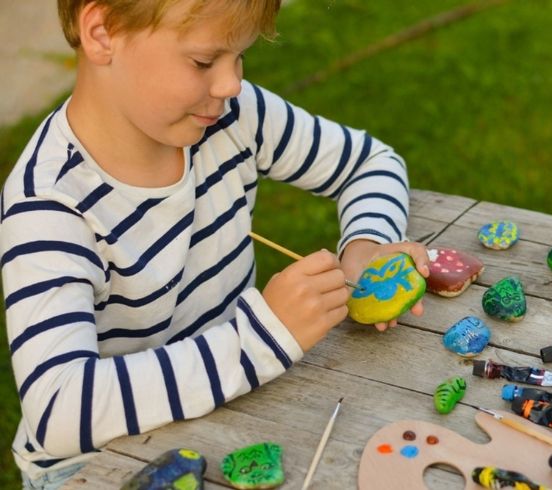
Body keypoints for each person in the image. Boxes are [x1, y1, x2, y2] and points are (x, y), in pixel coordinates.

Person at [0, 0, 429, 487]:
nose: (231, 84)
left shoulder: (230, 117)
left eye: (240, 57)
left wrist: (366, 246)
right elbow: (59, 411)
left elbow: (370, 163)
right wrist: (263, 337)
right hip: (100, 463)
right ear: (102, 34)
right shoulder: (51, 205)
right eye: (204, 61)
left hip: (233, 402)